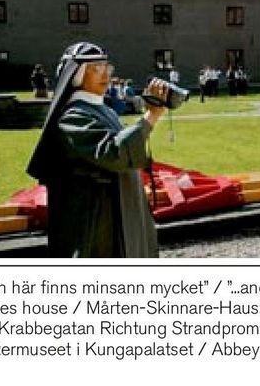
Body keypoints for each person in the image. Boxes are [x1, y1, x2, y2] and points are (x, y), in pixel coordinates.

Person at [26, 41, 167, 258]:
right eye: (96, 68)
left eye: (106, 67)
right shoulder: (72, 116)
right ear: (78, 74)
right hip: (97, 217)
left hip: (122, 207)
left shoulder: (105, 111)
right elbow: (114, 153)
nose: (105, 74)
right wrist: (151, 117)